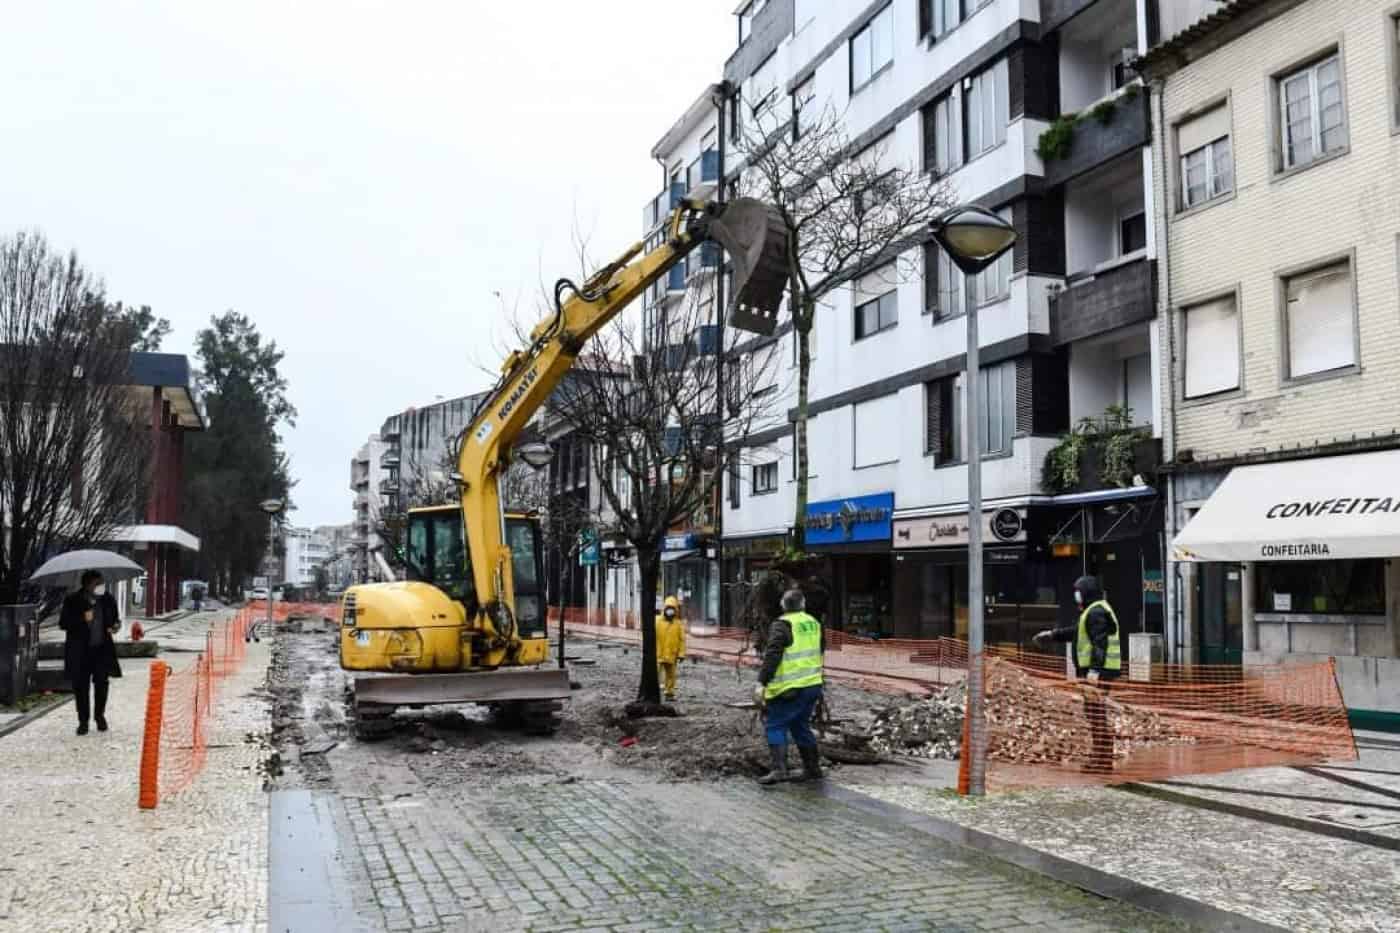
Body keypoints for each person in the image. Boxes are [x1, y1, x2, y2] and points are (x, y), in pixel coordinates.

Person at [1035, 574, 1121, 773]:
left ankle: (1101, 760)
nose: (1077, 597)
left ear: (1087, 593)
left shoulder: (1096, 612)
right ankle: (1101, 758)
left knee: (1096, 714)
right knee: (1095, 713)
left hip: (1098, 673)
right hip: (1098, 671)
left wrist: (1094, 671)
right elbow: (1078, 632)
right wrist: (1053, 635)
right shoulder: (1093, 610)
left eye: (1079, 593)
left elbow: (1100, 642)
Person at [755, 588, 824, 785]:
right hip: (812, 685)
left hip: (789, 688)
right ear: (803, 604)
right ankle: (813, 769)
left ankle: (779, 771)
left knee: (775, 725)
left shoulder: (782, 625)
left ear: (783, 605)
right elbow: (820, 649)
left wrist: (761, 682)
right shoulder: (814, 623)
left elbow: (773, 654)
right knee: (800, 726)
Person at [59, 570, 123, 736]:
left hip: (101, 649)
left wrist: (116, 625)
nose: (101, 586)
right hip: (80, 651)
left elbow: (115, 619)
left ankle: (99, 716)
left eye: (102, 583)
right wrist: (83, 619)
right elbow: (63, 623)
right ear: (87, 585)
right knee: (81, 686)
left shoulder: (107, 599)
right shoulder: (73, 600)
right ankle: (83, 721)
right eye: (97, 583)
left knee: (102, 683)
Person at [655, 595, 686, 702]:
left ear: (676, 610)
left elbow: (682, 640)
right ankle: (654, 691)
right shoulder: (657, 621)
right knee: (655, 674)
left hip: (672, 654)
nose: (670, 610)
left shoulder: (678, 624)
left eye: (672, 608)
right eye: (668, 608)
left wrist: (681, 654)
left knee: (671, 675)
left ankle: (669, 693)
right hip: (658, 653)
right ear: (664, 608)